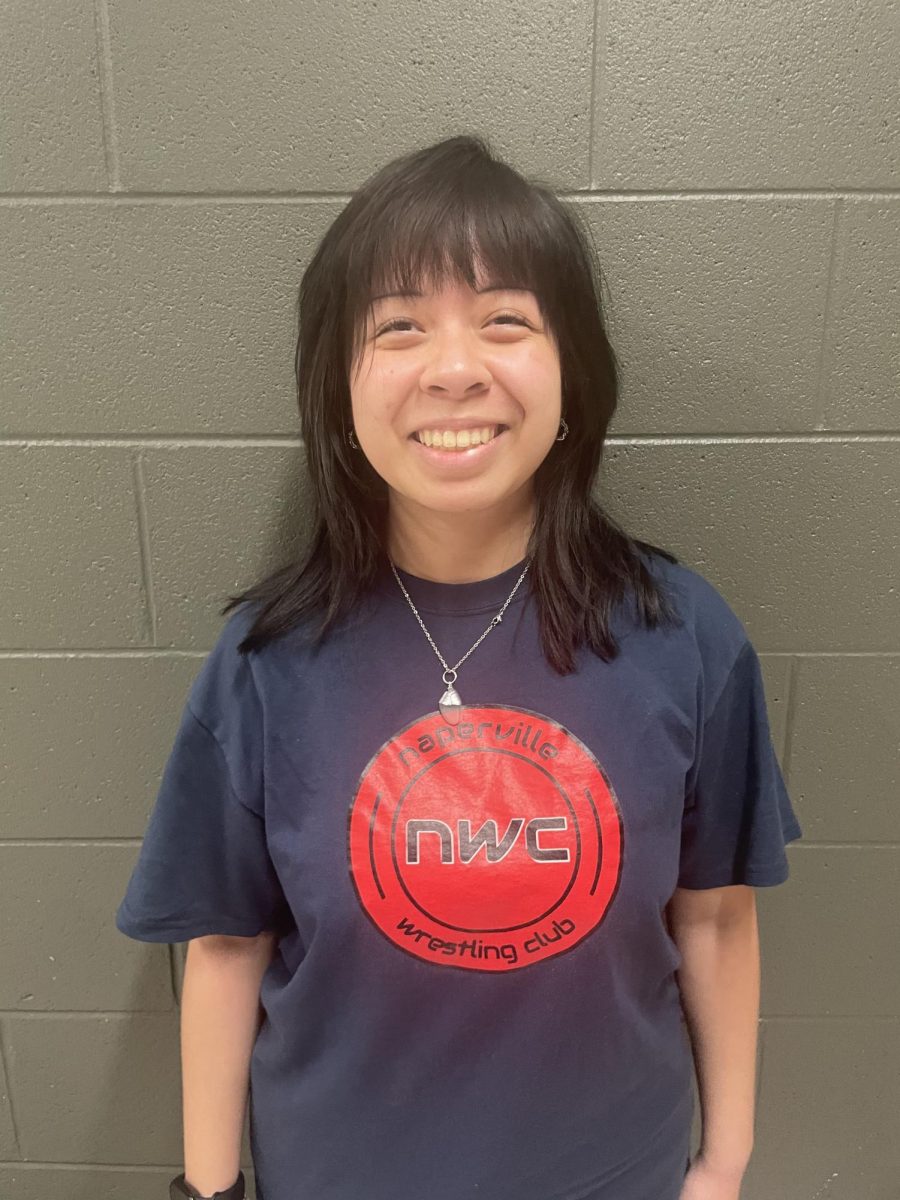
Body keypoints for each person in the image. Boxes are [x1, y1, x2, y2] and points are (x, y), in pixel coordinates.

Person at [115, 133, 803, 1200]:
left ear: (572, 371)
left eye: (505, 321)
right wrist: (209, 1192)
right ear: (338, 391)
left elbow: (715, 915)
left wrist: (725, 1162)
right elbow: (224, 948)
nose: (453, 368)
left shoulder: (684, 635)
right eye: (398, 327)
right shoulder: (265, 663)